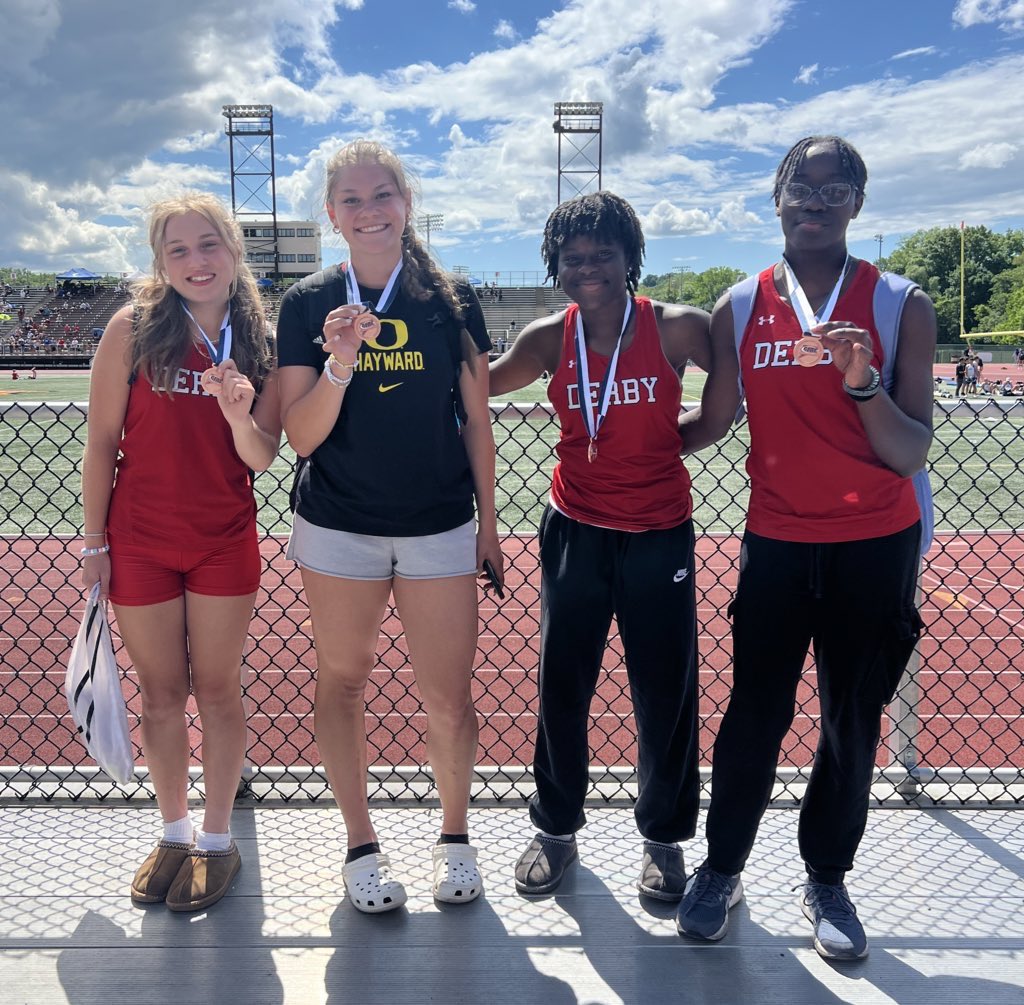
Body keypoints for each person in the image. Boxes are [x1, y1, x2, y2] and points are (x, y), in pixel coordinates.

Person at [676, 135, 935, 960]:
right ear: (777, 197)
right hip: (779, 542)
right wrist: (621, 441)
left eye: (835, 186)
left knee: (851, 721)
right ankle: (722, 867)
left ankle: (827, 876)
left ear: (859, 201)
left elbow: (910, 450)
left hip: (876, 543)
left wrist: (861, 382)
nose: (817, 199)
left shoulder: (900, 302)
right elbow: (715, 420)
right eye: (802, 185)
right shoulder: (739, 303)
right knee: (755, 712)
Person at [276, 139, 502, 914]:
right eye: (353, 199)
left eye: (383, 195)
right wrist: (339, 361)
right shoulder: (307, 302)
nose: (369, 211)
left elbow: (477, 419)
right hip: (339, 524)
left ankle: (455, 836)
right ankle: (360, 845)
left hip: (439, 522)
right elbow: (301, 436)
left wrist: (489, 525)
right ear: (332, 214)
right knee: (342, 680)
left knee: (449, 696)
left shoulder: (451, 297)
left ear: (406, 203)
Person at [489, 191, 710, 901]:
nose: (588, 268)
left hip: (658, 531)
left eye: (603, 255)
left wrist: (672, 443)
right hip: (576, 528)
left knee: (664, 690)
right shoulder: (547, 338)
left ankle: (665, 839)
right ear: (556, 265)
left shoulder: (677, 327)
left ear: (630, 257)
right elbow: (480, 383)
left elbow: (735, 392)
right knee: (563, 684)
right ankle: (556, 828)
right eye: (573, 257)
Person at [80, 192, 281, 912]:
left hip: (223, 540)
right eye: (178, 250)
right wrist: (94, 542)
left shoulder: (260, 338)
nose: (196, 261)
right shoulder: (132, 328)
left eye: (209, 244)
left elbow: (261, 456)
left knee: (219, 690)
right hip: (140, 542)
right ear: (161, 262)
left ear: (233, 250)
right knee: (162, 694)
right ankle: (173, 831)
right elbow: (101, 443)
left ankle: (217, 839)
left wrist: (238, 412)